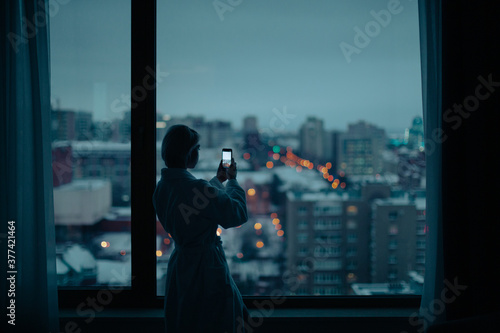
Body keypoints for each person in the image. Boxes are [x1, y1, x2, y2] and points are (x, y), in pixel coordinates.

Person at [153, 124, 251, 332]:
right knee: (216, 320)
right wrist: (232, 181)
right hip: (206, 267)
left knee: (186, 319)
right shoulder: (198, 189)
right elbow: (236, 213)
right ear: (189, 154)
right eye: (196, 148)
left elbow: (198, 203)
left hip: (180, 264)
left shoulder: (162, 187)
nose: (198, 152)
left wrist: (217, 181)